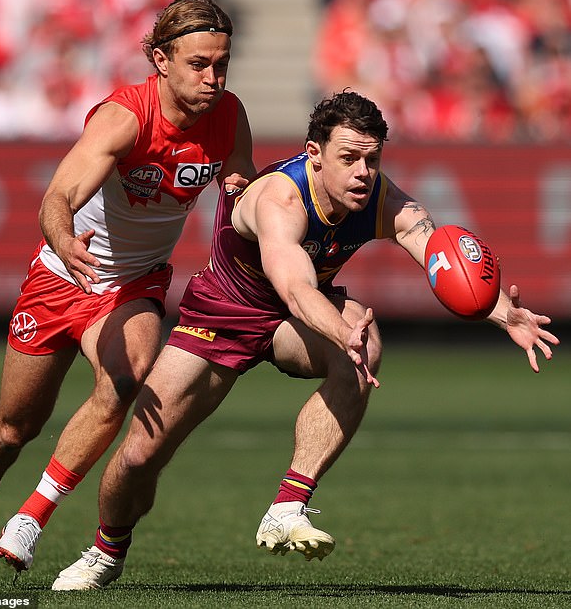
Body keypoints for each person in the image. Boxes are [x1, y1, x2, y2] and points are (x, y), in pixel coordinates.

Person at [51, 90, 559, 590]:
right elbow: (295, 287)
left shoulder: (379, 196)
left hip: (291, 323)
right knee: (141, 455)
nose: (363, 172)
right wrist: (340, 330)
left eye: (372, 158)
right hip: (225, 314)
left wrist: (500, 312)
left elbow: (437, 252)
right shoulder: (281, 198)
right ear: (314, 155)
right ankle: (106, 550)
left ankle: (288, 505)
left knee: (365, 347)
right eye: (349, 158)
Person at [0, 0, 256, 586]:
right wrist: (64, 243)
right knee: (14, 427)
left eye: (221, 65)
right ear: (160, 60)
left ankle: (33, 516)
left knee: (127, 378)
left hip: (136, 281)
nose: (213, 78)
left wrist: (252, 200)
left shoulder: (230, 115)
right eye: (198, 65)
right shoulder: (123, 118)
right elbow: (55, 200)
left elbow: (239, 189)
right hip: (64, 276)